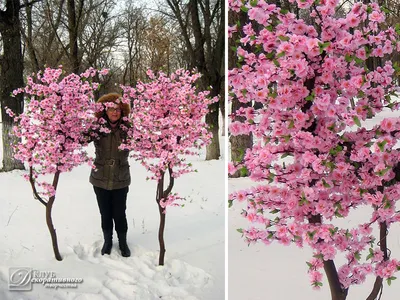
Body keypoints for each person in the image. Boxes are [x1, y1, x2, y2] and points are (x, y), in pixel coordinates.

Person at [89, 93, 131, 257]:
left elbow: (144, 141)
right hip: (100, 178)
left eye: (118, 110)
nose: (115, 113)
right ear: (104, 111)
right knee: (105, 213)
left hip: (121, 177)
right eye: (111, 109)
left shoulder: (128, 129)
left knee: (120, 213)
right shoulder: (97, 128)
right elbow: (79, 139)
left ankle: (123, 242)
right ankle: (108, 241)